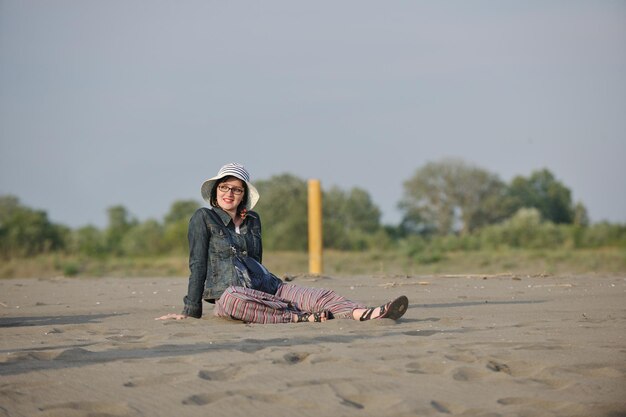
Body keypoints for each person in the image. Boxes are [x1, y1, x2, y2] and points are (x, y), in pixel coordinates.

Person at [156, 162, 408, 324]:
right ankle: (297, 316)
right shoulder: (203, 217)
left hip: (268, 287)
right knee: (233, 298)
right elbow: (197, 263)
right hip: (231, 296)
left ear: (244, 195)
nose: (229, 193)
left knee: (319, 294)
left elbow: (256, 260)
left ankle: (368, 313)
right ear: (215, 191)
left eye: (236, 189)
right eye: (224, 187)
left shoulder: (252, 220)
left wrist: (244, 225)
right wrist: (191, 311)